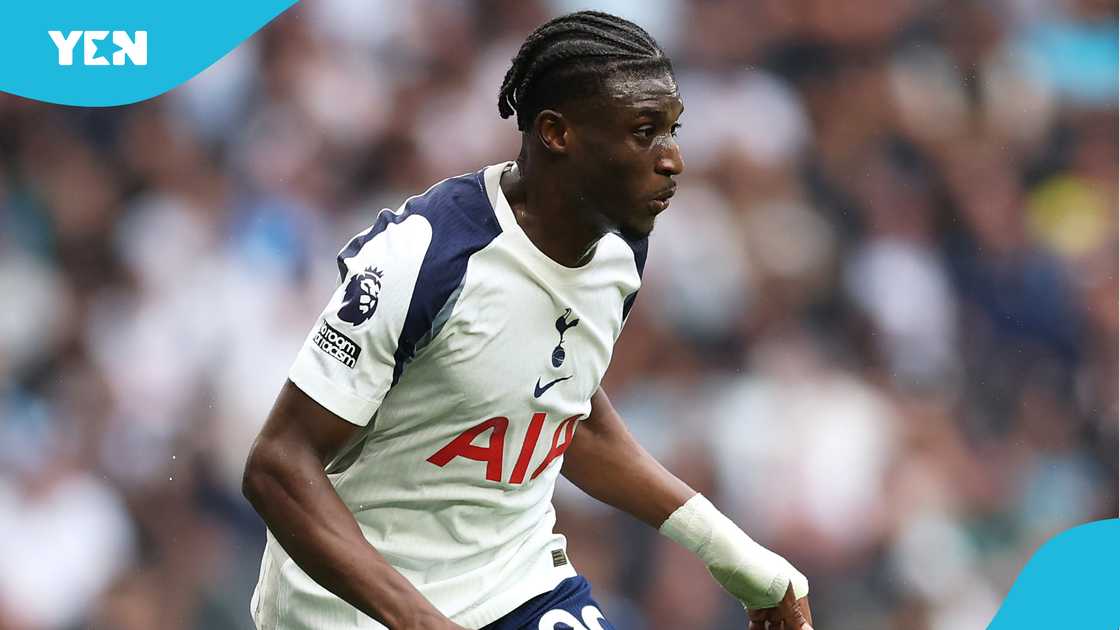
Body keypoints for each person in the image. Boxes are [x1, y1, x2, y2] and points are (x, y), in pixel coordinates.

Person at [242, 10, 813, 630]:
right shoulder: (425, 258)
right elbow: (278, 465)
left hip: (517, 583)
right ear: (556, 133)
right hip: (354, 609)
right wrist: (422, 621)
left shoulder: (619, 250)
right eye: (644, 132)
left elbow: (565, 413)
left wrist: (735, 555)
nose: (672, 159)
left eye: (673, 130)